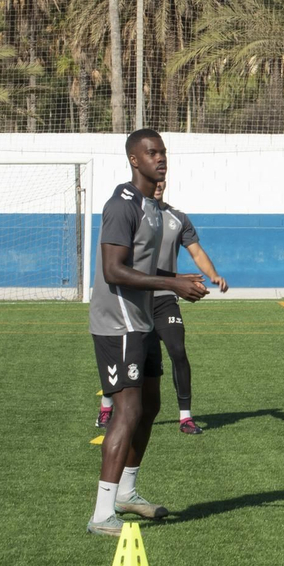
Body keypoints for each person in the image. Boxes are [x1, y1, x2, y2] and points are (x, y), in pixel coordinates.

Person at [86, 130, 208, 535]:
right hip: (118, 321)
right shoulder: (121, 205)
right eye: (151, 153)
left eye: (163, 152)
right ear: (134, 160)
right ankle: (102, 514)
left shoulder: (154, 208)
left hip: (143, 316)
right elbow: (113, 270)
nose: (161, 159)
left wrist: (180, 282)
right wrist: (172, 285)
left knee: (152, 406)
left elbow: (147, 269)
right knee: (129, 410)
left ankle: (126, 492)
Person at [98, 180, 227, 435]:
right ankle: (106, 405)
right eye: (153, 181)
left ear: (165, 184)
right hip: (134, 298)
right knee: (128, 358)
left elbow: (196, 251)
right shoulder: (132, 212)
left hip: (165, 297)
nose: (158, 184)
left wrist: (213, 275)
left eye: (162, 181)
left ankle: (185, 417)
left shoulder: (177, 218)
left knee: (178, 351)